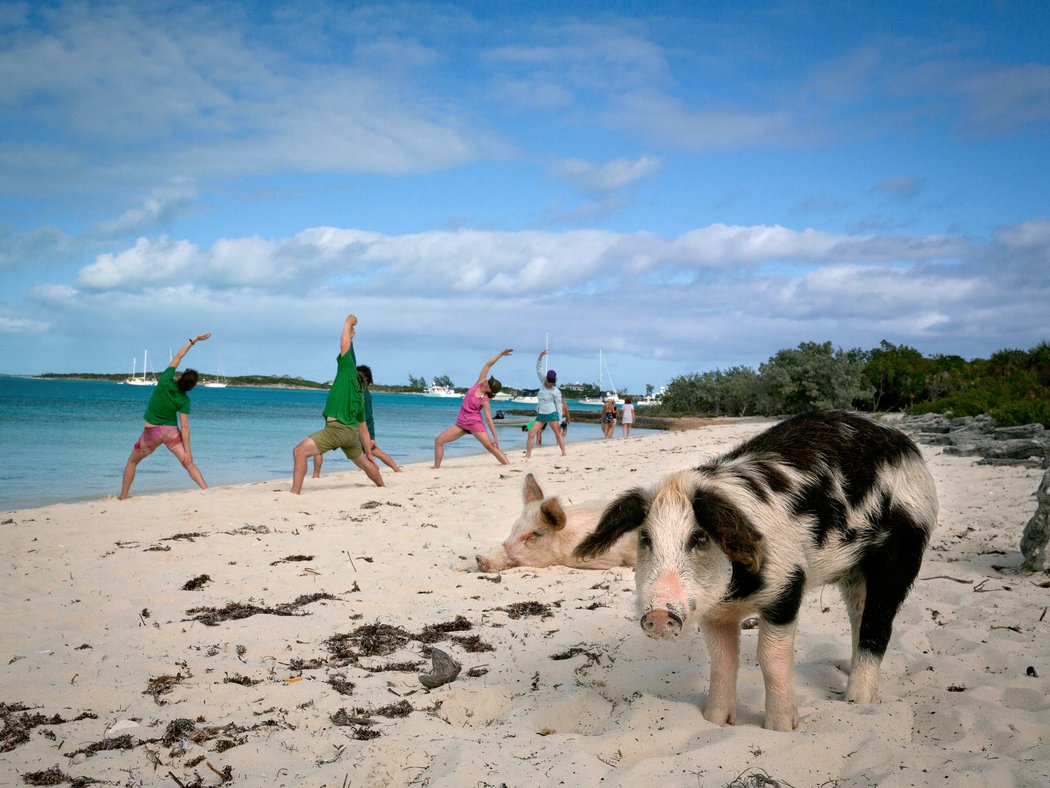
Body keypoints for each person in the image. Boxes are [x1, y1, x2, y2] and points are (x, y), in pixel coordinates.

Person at [291, 314, 383, 493]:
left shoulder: (347, 373)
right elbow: (363, 429)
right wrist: (369, 454)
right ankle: (382, 486)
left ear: (355, 371)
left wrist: (348, 322)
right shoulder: (361, 396)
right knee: (364, 464)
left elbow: (344, 346)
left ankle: (294, 493)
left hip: (336, 430)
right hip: (351, 435)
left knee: (299, 452)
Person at [119, 333, 212, 499]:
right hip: (170, 433)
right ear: (192, 387)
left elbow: (179, 356)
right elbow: (185, 427)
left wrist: (194, 340)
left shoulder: (165, 379)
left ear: (181, 377)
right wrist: (188, 451)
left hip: (152, 433)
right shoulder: (184, 400)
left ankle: (123, 496)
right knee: (188, 462)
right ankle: (206, 490)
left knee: (132, 462)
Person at [433, 349, 513, 468]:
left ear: (490, 389)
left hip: (475, 425)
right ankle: (436, 468)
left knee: (491, 448)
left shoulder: (485, 400)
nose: (486, 380)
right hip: (461, 424)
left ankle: (509, 466)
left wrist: (495, 436)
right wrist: (501, 355)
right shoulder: (479, 383)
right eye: (488, 379)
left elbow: (489, 419)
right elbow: (488, 365)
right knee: (438, 441)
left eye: (489, 382)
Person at [525, 349, 567, 458]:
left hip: (552, 413)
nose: (549, 384)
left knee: (557, 433)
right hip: (541, 414)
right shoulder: (543, 382)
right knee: (531, 433)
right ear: (547, 379)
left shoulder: (556, 391)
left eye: (551, 383)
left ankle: (564, 453)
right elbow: (538, 370)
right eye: (548, 382)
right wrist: (540, 357)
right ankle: (528, 454)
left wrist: (559, 419)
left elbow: (558, 406)